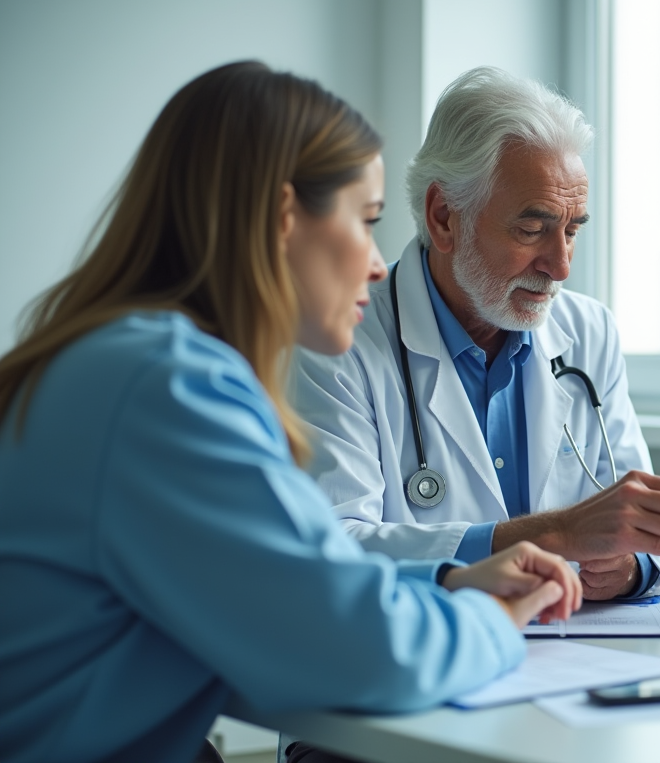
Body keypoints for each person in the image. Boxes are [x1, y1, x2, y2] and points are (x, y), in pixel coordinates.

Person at [0, 61, 582, 763]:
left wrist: (449, 578)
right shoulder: (168, 388)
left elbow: (292, 576)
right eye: (365, 221)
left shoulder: (112, 359)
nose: (377, 264)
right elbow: (364, 654)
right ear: (284, 218)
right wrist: (495, 618)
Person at [290, 66, 660, 602]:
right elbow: (332, 547)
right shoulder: (338, 341)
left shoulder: (589, 332)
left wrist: (630, 566)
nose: (561, 265)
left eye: (572, 230)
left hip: (584, 655)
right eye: (532, 228)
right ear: (445, 216)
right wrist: (552, 536)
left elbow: (643, 528)